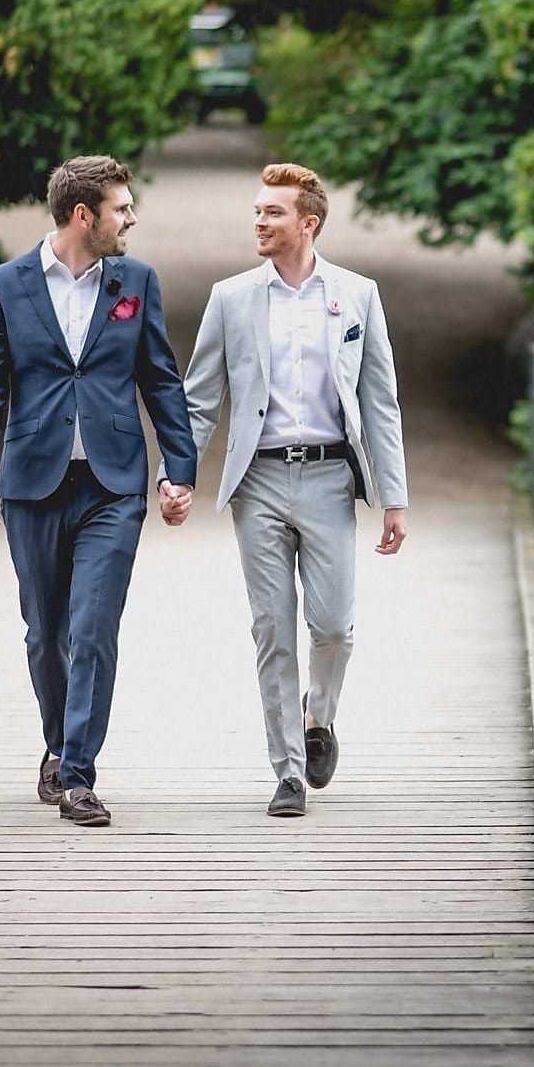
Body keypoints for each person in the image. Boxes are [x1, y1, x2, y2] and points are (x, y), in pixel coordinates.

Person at [0, 154, 198, 827]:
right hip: (32, 482)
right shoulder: (4, 285)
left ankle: (78, 775)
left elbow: (161, 378)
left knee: (92, 627)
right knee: (46, 633)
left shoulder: (136, 281)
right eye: (123, 208)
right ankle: (60, 743)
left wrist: (177, 469)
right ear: (83, 214)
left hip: (113, 483)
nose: (133, 219)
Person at [180, 162, 408, 818]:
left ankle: (319, 716)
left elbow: (381, 401)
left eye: (272, 212)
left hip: (333, 476)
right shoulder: (231, 298)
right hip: (258, 481)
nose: (259, 220)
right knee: (273, 630)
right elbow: (200, 400)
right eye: (256, 211)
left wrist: (394, 494)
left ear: (307, 223)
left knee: (333, 627)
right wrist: (179, 472)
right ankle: (286, 770)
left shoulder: (357, 295)